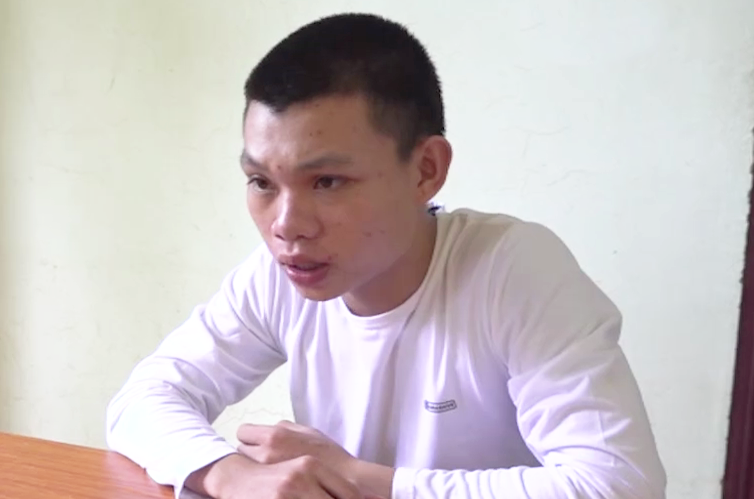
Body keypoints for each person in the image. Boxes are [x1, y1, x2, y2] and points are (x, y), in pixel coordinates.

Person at [106, 12, 666, 499]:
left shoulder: (513, 270)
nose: (286, 226)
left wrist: (363, 480)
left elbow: (618, 485)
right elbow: (144, 398)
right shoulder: (277, 277)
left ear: (426, 170)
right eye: (261, 182)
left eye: (327, 181)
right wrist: (228, 473)